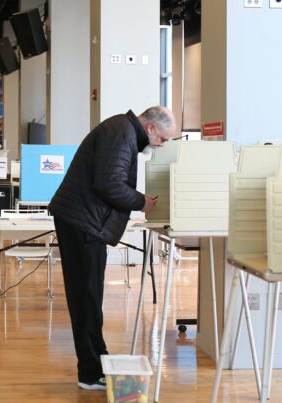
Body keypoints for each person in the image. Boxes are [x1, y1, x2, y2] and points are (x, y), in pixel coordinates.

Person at [48, 106, 177, 390]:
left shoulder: (122, 130)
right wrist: (142, 201)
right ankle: (90, 373)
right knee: (87, 299)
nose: (161, 145)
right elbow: (109, 184)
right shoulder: (121, 133)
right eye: (163, 139)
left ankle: (96, 364)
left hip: (82, 220)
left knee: (89, 297)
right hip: (83, 223)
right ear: (152, 128)